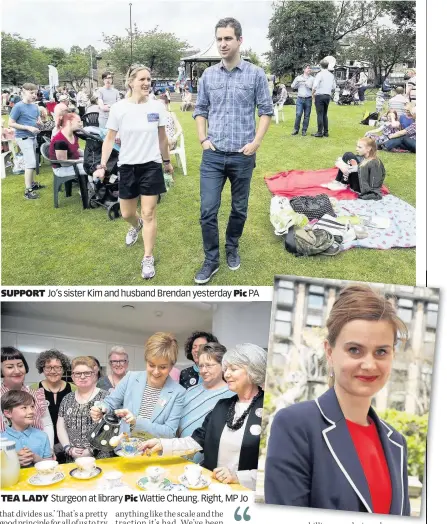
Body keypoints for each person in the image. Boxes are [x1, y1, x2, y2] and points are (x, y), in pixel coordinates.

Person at [264, 285, 411, 515]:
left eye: (381, 351)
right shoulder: (295, 426)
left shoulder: (397, 443)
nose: (370, 364)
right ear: (330, 353)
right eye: (355, 350)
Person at [193, 17, 273, 284]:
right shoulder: (208, 75)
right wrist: (203, 139)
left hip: (242, 155)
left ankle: (232, 246)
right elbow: (200, 110)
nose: (223, 44)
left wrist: (256, 142)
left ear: (240, 40)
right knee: (207, 210)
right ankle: (211, 259)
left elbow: (265, 111)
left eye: (228, 38)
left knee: (239, 209)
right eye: (219, 39)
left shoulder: (256, 74)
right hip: (213, 156)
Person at [139, 344, 267, 490]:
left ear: (252, 371)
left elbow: (276, 469)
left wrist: (238, 477)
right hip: (213, 489)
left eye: (233, 369)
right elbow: (196, 441)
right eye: (226, 369)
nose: (227, 374)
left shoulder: (271, 410)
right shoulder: (222, 406)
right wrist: (162, 444)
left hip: (245, 495)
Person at [92, 65, 174, 280]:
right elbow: (109, 138)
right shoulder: (119, 108)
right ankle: (135, 225)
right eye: (142, 79)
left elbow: (162, 137)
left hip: (151, 165)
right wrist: (102, 165)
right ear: (131, 82)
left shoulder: (157, 106)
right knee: (127, 213)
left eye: (149, 79)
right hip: (127, 166)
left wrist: (167, 162)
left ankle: (148, 257)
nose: (147, 83)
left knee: (149, 213)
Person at [90, 332, 185, 438]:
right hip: (125, 448)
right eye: (151, 365)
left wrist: (137, 422)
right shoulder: (131, 378)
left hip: (155, 452)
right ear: (146, 361)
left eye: (163, 367)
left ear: (172, 366)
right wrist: (100, 408)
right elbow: (110, 403)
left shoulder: (178, 393)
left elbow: (170, 432)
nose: (156, 372)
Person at [178, 343, 234, 448]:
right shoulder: (189, 391)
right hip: (180, 454)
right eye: (201, 366)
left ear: (223, 365)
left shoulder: (232, 395)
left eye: (209, 365)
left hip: (209, 460)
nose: (203, 370)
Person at [56, 356, 110, 462]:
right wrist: (68, 448)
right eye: (77, 373)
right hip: (73, 458)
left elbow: (110, 429)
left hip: (100, 458)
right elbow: (60, 426)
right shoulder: (67, 399)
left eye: (87, 373)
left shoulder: (107, 397)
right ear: (72, 376)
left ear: (94, 374)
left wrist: (91, 450)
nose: (82, 376)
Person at [1, 347, 54, 448]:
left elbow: (47, 425)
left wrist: (49, 449)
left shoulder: (37, 395)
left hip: (39, 451)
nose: (17, 371)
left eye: (20, 365)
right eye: (9, 367)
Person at [29, 349, 76, 462]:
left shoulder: (74, 389)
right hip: (43, 446)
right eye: (48, 367)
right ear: (42, 369)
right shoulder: (33, 389)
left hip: (69, 444)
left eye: (57, 367)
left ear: (63, 368)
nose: (53, 371)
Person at [8, 83, 45, 200]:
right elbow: (10, 123)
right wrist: (28, 127)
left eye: (35, 93)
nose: (34, 95)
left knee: (32, 161)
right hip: (23, 137)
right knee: (31, 163)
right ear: (24, 92)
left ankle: (33, 183)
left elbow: (37, 120)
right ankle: (28, 190)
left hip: (33, 137)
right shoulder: (18, 106)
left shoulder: (35, 106)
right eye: (31, 93)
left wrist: (40, 123)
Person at [1, 391, 52, 467]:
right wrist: (14, 461)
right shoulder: (1, 440)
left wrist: (36, 459)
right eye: (24, 407)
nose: (31, 411)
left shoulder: (42, 436)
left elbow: (50, 464)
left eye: (32, 407)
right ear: (8, 413)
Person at [49, 112, 87, 177]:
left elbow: (76, 150)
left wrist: (88, 155)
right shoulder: (60, 141)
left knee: (94, 164)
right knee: (92, 168)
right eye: (78, 122)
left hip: (73, 164)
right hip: (62, 169)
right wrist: (81, 160)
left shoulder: (74, 135)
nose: (81, 124)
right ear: (69, 122)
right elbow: (64, 163)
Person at [311, 59, 336, 138]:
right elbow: (334, 87)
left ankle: (319, 132)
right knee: (325, 114)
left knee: (320, 114)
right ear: (327, 66)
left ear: (320, 65)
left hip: (320, 95)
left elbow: (315, 85)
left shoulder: (319, 74)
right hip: (327, 96)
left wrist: (312, 94)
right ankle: (326, 132)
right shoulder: (331, 75)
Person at [291, 64, 314, 136]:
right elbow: (292, 86)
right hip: (300, 99)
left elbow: (314, 89)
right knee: (298, 114)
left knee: (307, 115)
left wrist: (309, 86)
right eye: (308, 68)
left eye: (310, 68)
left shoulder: (312, 79)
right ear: (304, 69)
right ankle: (296, 129)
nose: (309, 69)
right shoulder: (298, 78)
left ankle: (304, 130)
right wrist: (298, 82)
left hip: (308, 99)